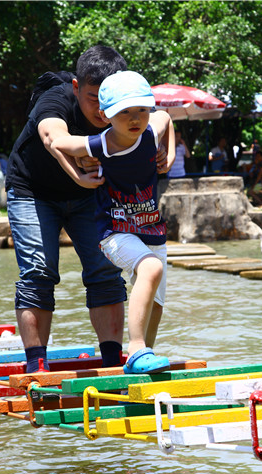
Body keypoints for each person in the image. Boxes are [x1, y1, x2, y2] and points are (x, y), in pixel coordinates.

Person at [6, 45, 168, 373]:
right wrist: (77, 174)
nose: (102, 110)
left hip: (91, 197)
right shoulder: (56, 100)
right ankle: (37, 364)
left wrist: (162, 151)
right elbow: (54, 138)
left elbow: (161, 121)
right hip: (33, 191)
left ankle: (114, 361)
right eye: (94, 98)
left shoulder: (126, 107)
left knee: (105, 271)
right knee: (38, 272)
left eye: (109, 101)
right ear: (78, 87)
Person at [51, 70, 175, 374]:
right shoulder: (100, 144)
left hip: (151, 230)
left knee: (156, 301)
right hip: (114, 232)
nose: (135, 119)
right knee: (151, 268)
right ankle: (135, 350)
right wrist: (79, 176)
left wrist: (168, 158)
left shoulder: (150, 133)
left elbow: (167, 119)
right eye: (125, 113)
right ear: (106, 114)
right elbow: (58, 144)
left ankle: (144, 359)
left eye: (141, 111)